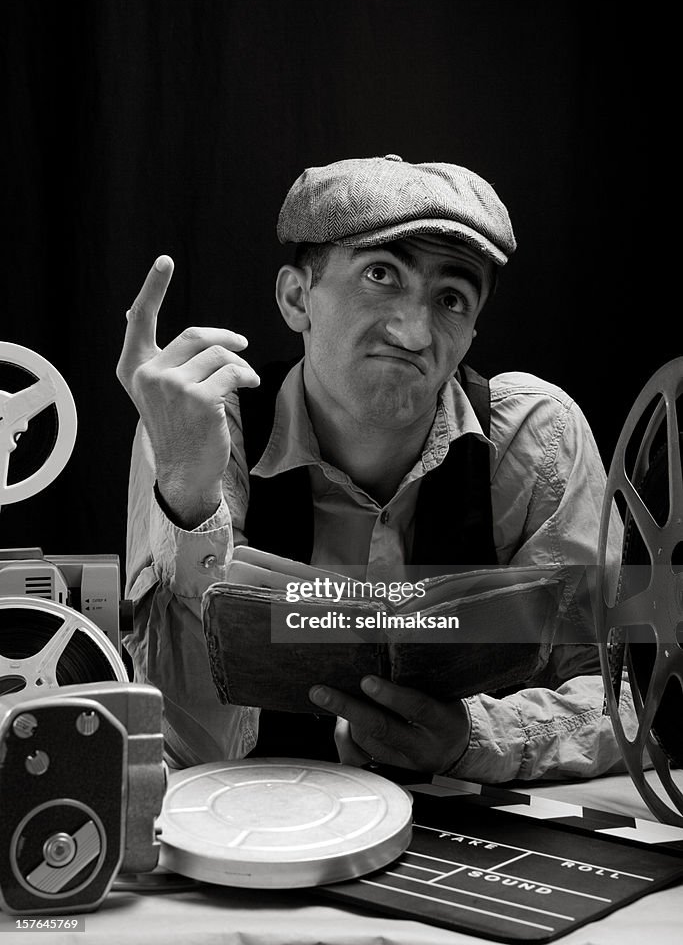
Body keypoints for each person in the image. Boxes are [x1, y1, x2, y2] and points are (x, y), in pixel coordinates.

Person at [117, 154, 634, 779]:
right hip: (255, 831)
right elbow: (183, 736)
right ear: (296, 298)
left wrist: (472, 737)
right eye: (381, 275)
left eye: (450, 298)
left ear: (471, 331)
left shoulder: (535, 437)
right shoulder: (199, 423)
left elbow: (622, 697)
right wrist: (188, 498)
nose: (414, 332)